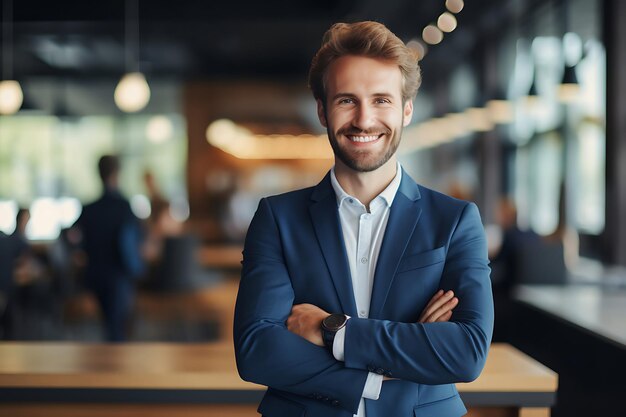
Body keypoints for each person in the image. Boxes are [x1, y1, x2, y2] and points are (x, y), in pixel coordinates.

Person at [234, 21, 494, 417]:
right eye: (346, 101)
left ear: (406, 110)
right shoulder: (278, 218)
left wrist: (334, 331)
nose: (364, 119)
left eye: (381, 100)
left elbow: (467, 353)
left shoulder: (456, 221)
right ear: (322, 110)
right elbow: (256, 349)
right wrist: (387, 370)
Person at [73, 155, 144, 342]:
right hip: (118, 276)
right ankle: (115, 364)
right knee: (116, 327)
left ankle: (109, 360)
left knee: (109, 323)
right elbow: (138, 238)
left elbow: (71, 236)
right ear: (117, 174)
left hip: (94, 275)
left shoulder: (89, 209)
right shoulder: (123, 207)